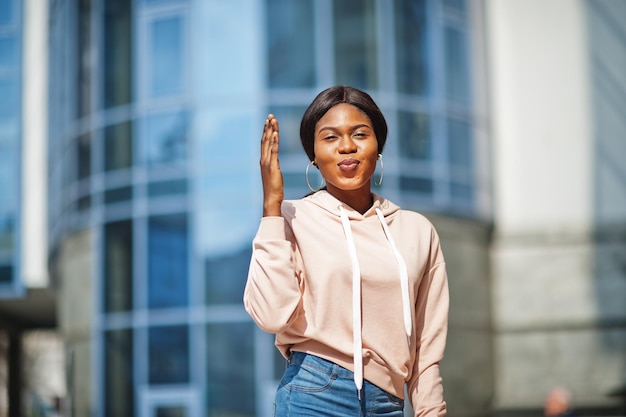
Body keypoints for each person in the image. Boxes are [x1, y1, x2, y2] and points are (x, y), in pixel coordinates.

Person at [244, 85, 449, 417]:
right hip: (313, 393)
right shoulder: (292, 218)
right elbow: (271, 315)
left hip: (389, 402)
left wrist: (430, 411)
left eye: (360, 134)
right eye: (330, 138)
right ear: (313, 154)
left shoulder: (416, 230)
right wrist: (271, 208)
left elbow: (427, 348)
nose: (347, 147)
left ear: (378, 145)